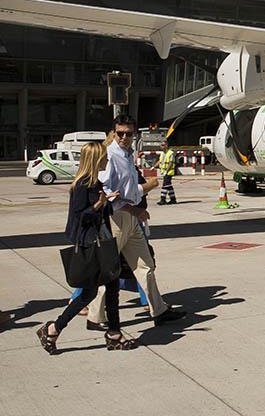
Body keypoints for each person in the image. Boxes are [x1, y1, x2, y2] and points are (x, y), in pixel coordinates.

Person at [36, 142, 138, 354]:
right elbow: (79, 218)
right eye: (104, 156)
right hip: (91, 243)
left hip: (103, 238)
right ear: (95, 159)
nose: (107, 159)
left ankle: (114, 334)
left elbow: (102, 212)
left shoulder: (96, 183)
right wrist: (99, 204)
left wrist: (108, 201)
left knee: (112, 288)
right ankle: (53, 328)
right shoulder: (82, 185)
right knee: (88, 294)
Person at [86, 115, 185, 329]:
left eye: (128, 134)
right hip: (116, 218)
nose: (124, 137)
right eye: (120, 133)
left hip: (131, 217)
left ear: (134, 135)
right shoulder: (110, 156)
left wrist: (138, 203)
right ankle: (94, 317)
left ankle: (158, 310)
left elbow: (129, 189)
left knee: (145, 265)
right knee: (108, 268)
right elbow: (106, 193)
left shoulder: (127, 154)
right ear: (114, 133)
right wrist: (137, 204)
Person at [156, 139, 177, 205]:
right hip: (164, 172)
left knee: (165, 186)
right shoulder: (162, 153)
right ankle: (173, 199)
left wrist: (166, 171)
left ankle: (163, 199)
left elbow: (170, 163)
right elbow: (160, 161)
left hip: (169, 172)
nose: (161, 146)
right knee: (169, 186)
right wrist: (154, 166)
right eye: (161, 145)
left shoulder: (171, 153)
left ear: (166, 146)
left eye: (162, 145)